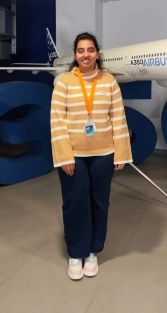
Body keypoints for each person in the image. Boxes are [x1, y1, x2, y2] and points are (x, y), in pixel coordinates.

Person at [50, 32, 133, 280]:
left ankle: (93, 252)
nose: (85, 55)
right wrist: (64, 157)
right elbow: (57, 121)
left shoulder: (109, 82)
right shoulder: (64, 82)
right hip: (73, 155)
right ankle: (76, 253)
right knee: (75, 203)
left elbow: (117, 118)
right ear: (75, 55)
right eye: (80, 51)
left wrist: (121, 153)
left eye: (90, 50)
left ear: (97, 53)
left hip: (103, 154)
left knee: (99, 202)